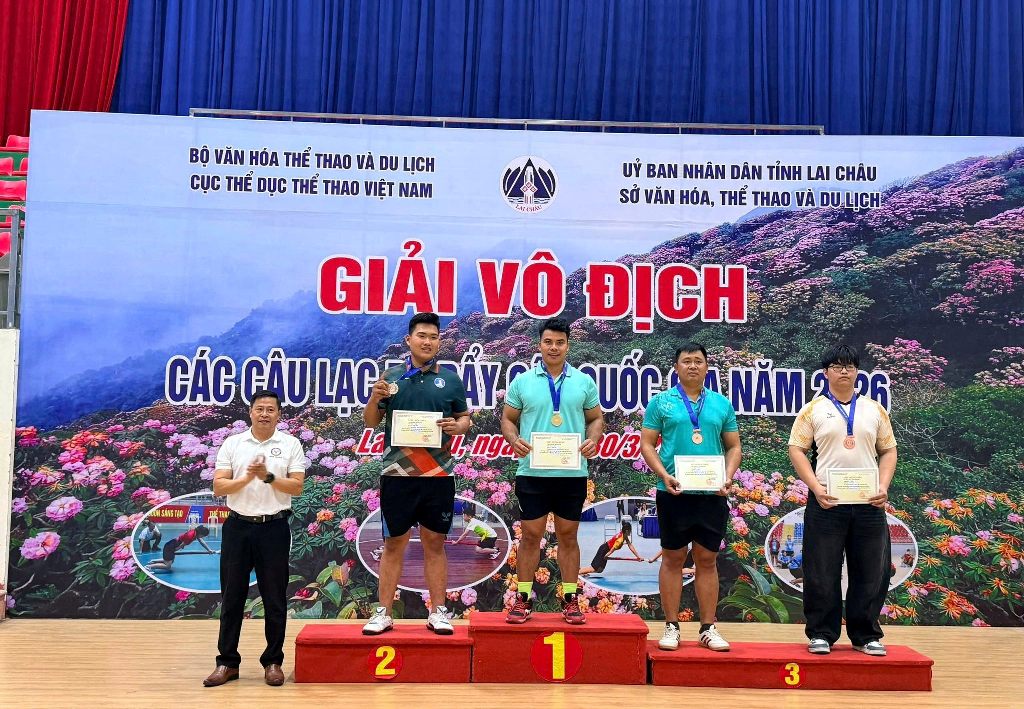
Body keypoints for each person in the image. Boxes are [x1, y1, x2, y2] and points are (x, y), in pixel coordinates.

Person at [361, 312, 471, 637]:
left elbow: (464, 419)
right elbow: (371, 422)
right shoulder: (391, 377)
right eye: (421, 336)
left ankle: (438, 612)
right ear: (409, 340)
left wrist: (458, 426)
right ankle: (383, 613)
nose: (427, 342)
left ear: (439, 342)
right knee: (393, 543)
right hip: (397, 475)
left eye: (433, 337)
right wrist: (375, 397)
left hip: (438, 476)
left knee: (435, 544)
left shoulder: (450, 379)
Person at [788, 344, 897, 657]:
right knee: (821, 569)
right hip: (827, 502)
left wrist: (883, 486)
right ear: (826, 373)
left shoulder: (874, 410)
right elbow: (796, 449)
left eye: (849, 366)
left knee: (871, 570)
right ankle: (821, 633)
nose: (844, 371)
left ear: (857, 371)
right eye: (837, 366)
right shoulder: (812, 410)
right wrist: (815, 487)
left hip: (869, 503)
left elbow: (888, 450)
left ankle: (866, 635)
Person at [500, 317, 605, 624]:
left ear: (568, 345)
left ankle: (571, 599)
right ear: (540, 345)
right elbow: (508, 419)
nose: (554, 347)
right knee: (531, 536)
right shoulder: (522, 381)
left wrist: (593, 439)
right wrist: (513, 440)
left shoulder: (583, 382)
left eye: (560, 342)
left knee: (568, 536)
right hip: (532, 472)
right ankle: (522, 598)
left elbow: (596, 418)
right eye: (548, 342)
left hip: (571, 474)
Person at [203, 390, 308, 688]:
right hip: (238, 527)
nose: (264, 414)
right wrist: (246, 479)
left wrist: (268, 477)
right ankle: (227, 663)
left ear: (279, 414)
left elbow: (297, 487)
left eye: (270, 409)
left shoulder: (290, 444)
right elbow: (219, 486)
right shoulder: (233, 443)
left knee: (274, 598)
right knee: (231, 598)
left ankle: (273, 662)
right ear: (250, 412)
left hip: (274, 528)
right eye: (259, 408)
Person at [641, 343, 741, 652]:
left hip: (711, 494)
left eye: (698, 361)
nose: (693, 366)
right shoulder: (661, 403)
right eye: (686, 361)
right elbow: (647, 444)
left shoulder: (721, 404)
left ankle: (708, 628)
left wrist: (727, 476)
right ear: (676, 367)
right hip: (674, 491)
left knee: (707, 559)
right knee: (672, 558)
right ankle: (671, 626)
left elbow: (734, 447)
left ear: (707, 367)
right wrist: (663, 475)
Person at [146, 524, 214, 570]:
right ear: (201, 534)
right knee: (168, 566)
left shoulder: (195, 533)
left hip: (172, 544)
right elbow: (181, 545)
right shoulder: (191, 536)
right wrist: (174, 550)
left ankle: (153, 561)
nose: (202, 537)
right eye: (203, 536)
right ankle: (149, 567)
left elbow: (201, 542)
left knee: (170, 561)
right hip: (170, 546)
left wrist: (209, 550)